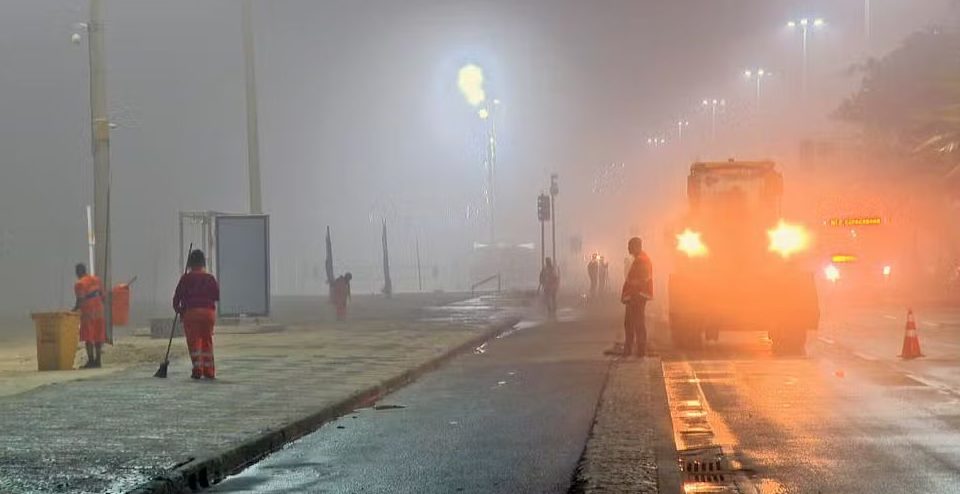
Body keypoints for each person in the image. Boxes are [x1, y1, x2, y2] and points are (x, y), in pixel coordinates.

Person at [173, 249, 220, 379]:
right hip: (208, 314)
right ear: (203, 263)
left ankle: (197, 369)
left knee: (194, 342)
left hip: (192, 313)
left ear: (190, 263)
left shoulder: (186, 279)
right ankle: (209, 371)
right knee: (207, 340)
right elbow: (216, 295)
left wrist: (180, 311)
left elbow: (176, 299)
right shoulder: (210, 278)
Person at [621, 237, 653, 357]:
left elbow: (642, 279)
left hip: (637, 296)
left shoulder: (641, 260)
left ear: (636, 246)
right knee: (632, 323)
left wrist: (634, 285)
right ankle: (633, 349)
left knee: (635, 323)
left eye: (630, 246)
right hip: (636, 295)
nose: (628, 248)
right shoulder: (640, 259)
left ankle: (637, 350)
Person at [73, 263, 105, 368]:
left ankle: (91, 361)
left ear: (78, 272)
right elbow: (102, 295)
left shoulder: (79, 284)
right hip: (99, 311)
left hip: (88, 312)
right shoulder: (96, 280)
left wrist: (73, 310)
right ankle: (98, 360)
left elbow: (80, 300)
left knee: (88, 337)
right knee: (98, 336)